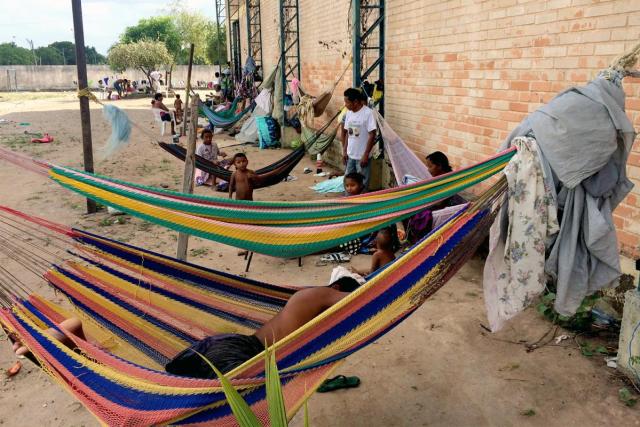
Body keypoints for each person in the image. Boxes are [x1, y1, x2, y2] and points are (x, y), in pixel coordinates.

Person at [13, 280, 358, 379]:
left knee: (162, 384)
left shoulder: (306, 297)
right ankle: (68, 342)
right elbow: (357, 299)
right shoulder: (323, 296)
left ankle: (73, 339)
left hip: (227, 345)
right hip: (241, 357)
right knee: (169, 395)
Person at [405, 151, 465, 245]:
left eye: (430, 166)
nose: (428, 170)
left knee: (412, 212)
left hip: (442, 211)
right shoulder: (441, 178)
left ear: (439, 166)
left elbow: (441, 203)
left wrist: (423, 199)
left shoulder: (448, 180)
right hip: (436, 205)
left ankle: (416, 242)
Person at [341, 88, 377, 190]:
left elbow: (372, 134)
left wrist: (365, 154)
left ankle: (363, 204)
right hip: (350, 156)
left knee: (362, 184)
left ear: (355, 102)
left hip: (362, 157)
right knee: (348, 182)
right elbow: (348, 132)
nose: (345, 105)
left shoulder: (368, 113)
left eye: (347, 102)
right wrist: (344, 151)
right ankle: (349, 202)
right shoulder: (348, 113)